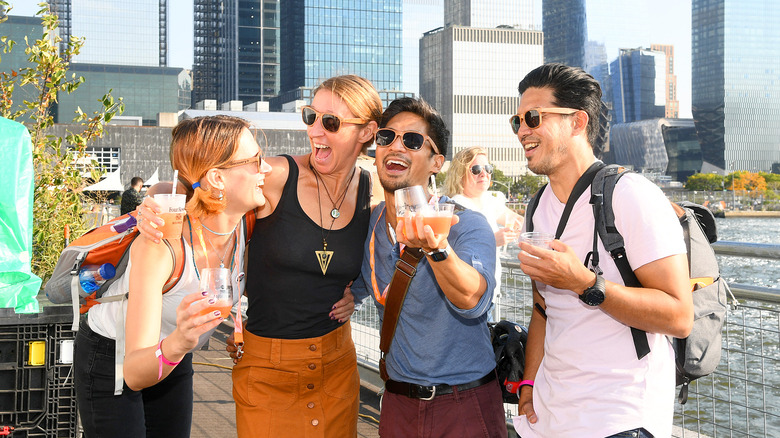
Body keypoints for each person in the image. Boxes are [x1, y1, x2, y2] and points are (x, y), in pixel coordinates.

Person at [137, 74, 380, 437]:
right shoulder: (278, 176)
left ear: (366, 132)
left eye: (331, 122)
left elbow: (379, 257)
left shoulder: (369, 193)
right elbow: (201, 180)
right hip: (268, 368)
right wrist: (154, 199)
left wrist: (356, 295)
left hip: (337, 364)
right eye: (310, 117)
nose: (315, 131)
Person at [511, 63, 693, 438]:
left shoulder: (631, 195)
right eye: (516, 121)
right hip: (549, 414)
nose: (522, 131)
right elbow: (543, 307)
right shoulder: (536, 207)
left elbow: (679, 315)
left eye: (532, 117)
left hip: (619, 417)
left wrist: (583, 282)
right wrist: (528, 384)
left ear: (577, 122)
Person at [74, 115, 273, 438]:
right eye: (256, 161)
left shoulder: (248, 222)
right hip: (113, 355)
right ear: (217, 178)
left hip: (174, 352)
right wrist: (181, 341)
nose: (266, 169)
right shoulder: (161, 243)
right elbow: (135, 373)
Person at [350, 97, 508, 438]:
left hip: (463, 404)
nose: (396, 147)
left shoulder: (465, 225)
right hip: (397, 403)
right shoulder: (371, 224)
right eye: (386, 137)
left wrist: (437, 248)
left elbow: (473, 301)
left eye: (412, 140)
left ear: (436, 161)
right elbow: (354, 286)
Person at [444, 146, 523, 320]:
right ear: (460, 173)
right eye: (476, 170)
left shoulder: (488, 201)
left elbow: (517, 220)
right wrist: (493, 240)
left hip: (489, 293)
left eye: (488, 169)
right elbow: (454, 251)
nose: (484, 174)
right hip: (468, 296)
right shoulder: (456, 206)